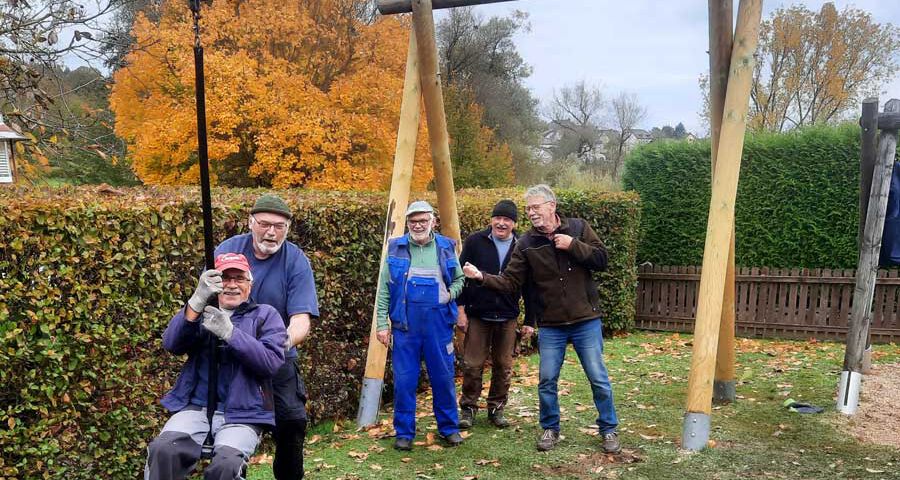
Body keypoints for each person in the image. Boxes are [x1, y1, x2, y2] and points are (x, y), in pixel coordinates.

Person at [462, 184, 622, 454]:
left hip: (585, 320)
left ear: (552, 205)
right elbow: (511, 281)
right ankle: (550, 428)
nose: (532, 213)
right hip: (551, 325)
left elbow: (602, 259)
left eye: (536, 207)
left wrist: (573, 246)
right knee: (547, 380)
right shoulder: (525, 243)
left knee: (598, 378)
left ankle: (609, 429)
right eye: (528, 209)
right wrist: (481, 277)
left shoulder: (579, 229)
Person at [145, 252, 287, 480]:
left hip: (243, 415)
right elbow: (172, 344)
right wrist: (196, 301)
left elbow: (270, 363)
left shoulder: (265, 315)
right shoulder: (201, 313)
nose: (231, 285)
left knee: (227, 465)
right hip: (194, 408)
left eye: (239, 279)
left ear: (250, 284)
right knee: (163, 450)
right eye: (225, 278)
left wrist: (231, 334)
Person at [216, 194, 319, 480]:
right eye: (264, 224)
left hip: (277, 358)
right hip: (231, 359)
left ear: (288, 227)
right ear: (250, 222)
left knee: (292, 422)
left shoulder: (296, 260)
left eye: (280, 226)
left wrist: (271, 348)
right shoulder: (227, 250)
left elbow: (301, 321)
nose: (271, 232)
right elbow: (207, 301)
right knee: (231, 430)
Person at [375, 200, 466, 451]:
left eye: (423, 220)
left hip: (439, 326)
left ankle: (449, 429)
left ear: (433, 221)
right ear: (408, 223)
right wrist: (382, 323)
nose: (418, 225)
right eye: (413, 221)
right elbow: (384, 289)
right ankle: (404, 433)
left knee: (444, 379)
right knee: (404, 382)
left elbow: (459, 279)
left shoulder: (447, 247)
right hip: (405, 326)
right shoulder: (395, 248)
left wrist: (450, 294)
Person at [456, 199, 521, 430]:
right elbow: (460, 276)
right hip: (478, 315)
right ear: (492, 219)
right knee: (472, 364)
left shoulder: (522, 246)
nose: (501, 223)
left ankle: (496, 408)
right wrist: (460, 309)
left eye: (507, 220)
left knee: (503, 366)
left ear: (514, 223)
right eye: (498, 218)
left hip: (508, 316)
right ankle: (468, 408)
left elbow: (530, 286)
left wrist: (531, 320)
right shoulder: (475, 241)